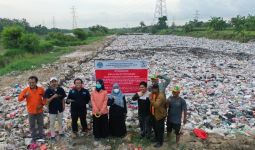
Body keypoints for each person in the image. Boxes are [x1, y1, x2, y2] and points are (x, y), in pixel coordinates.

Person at [18, 76, 46, 143]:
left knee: (40, 124)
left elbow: (45, 98)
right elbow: (19, 99)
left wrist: (42, 104)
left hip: (40, 111)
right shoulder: (26, 90)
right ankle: (34, 137)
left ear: (36, 82)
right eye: (30, 82)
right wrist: (25, 96)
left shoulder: (41, 89)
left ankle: (41, 136)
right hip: (31, 111)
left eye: (33, 82)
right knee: (32, 125)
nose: (31, 84)